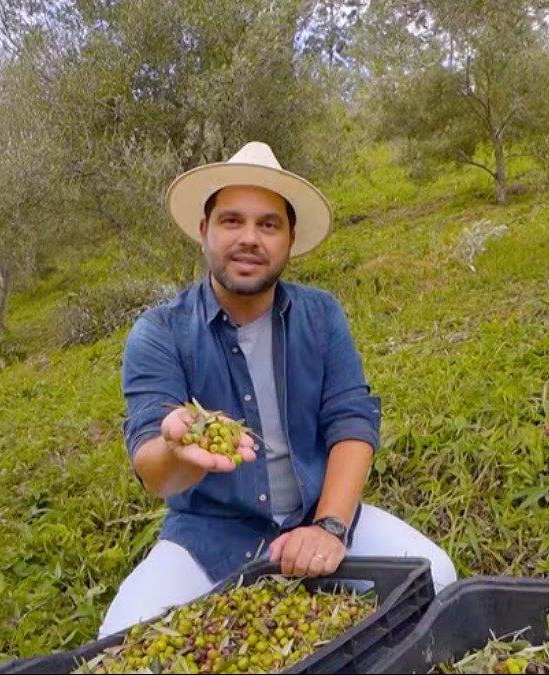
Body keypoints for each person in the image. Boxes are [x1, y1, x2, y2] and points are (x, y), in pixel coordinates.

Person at [98, 141, 458, 638]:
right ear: (204, 232)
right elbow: (153, 469)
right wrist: (181, 449)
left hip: (317, 514)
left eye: (268, 225)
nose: (250, 238)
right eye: (231, 221)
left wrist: (330, 527)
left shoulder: (320, 314)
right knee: (121, 640)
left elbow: (351, 419)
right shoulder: (159, 333)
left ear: (290, 239)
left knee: (436, 577)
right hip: (209, 538)